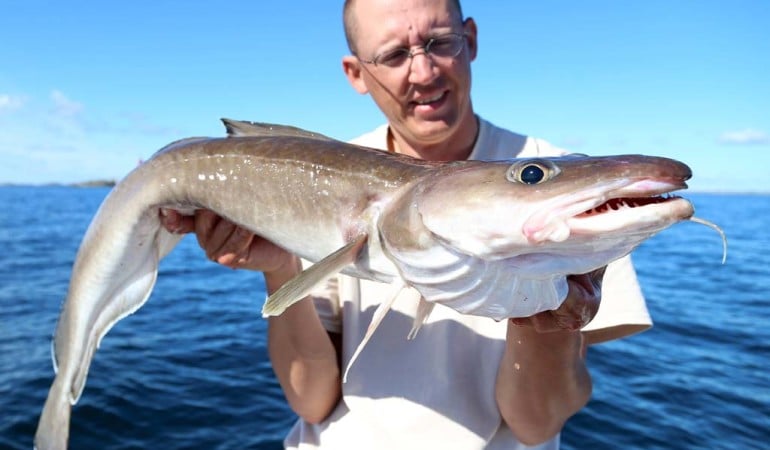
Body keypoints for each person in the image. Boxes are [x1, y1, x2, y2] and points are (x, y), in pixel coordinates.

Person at [161, 0, 652, 448]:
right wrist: (280, 266)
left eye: (440, 43)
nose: (423, 71)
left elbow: (536, 424)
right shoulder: (315, 181)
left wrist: (549, 319)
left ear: (472, 40)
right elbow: (311, 401)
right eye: (394, 55)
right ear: (355, 72)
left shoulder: (570, 190)